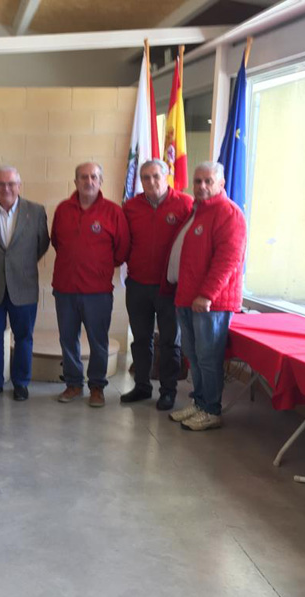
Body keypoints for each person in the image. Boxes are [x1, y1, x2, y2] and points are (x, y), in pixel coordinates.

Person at [166, 161, 247, 431]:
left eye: (208, 181)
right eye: (197, 181)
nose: (201, 186)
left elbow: (228, 260)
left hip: (209, 303)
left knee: (209, 359)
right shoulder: (197, 212)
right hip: (188, 299)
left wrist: (207, 294)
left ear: (221, 184)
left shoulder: (229, 214)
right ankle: (199, 403)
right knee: (194, 356)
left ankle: (211, 410)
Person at [51, 162, 130, 408]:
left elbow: (122, 250)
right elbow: (56, 241)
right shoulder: (63, 210)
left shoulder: (113, 212)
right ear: (75, 181)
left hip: (97, 292)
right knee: (68, 339)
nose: (89, 181)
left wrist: (99, 268)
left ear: (100, 181)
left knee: (98, 342)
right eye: (83, 177)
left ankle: (97, 387)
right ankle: (74, 384)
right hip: (65, 289)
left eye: (94, 176)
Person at [0, 165, 49, 401]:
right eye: (1, 184)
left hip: (23, 286)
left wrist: (18, 266)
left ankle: (21, 383)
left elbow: (41, 244)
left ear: (19, 186)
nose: (6, 188)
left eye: (11, 183)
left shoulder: (35, 211)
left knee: (24, 337)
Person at [121, 159, 193, 411]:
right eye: (145, 177)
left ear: (167, 176)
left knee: (170, 341)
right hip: (138, 284)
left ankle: (168, 391)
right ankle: (142, 386)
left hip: (169, 287)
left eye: (155, 176)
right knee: (140, 339)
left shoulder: (185, 204)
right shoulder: (130, 207)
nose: (151, 182)